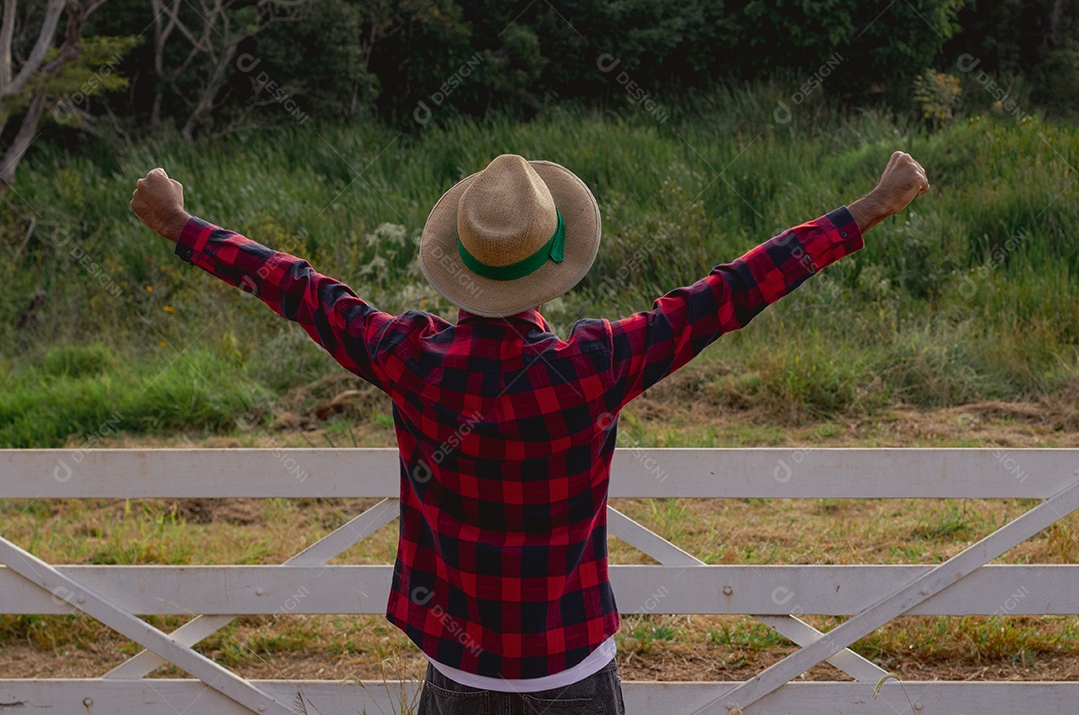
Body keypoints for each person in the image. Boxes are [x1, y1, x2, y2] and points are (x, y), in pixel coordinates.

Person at [131, 150, 929, 714]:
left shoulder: (409, 358)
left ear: (458, 261)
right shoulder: (595, 365)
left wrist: (180, 224)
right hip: (572, 663)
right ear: (554, 264)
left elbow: (298, 288)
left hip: (459, 667)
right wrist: (865, 209)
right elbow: (732, 291)